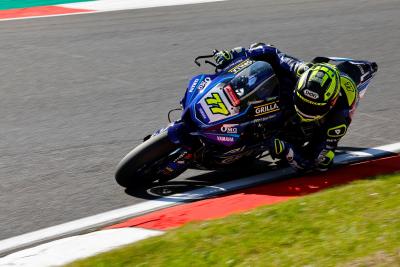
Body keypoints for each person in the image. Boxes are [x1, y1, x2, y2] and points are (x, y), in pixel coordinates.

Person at [214, 43, 378, 171]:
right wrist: (235, 54)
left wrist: (287, 150)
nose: (304, 110)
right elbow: (268, 50)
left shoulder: (337, 119)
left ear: (331, 103)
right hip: (317, 78)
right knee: (271, 68)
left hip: (344, 92)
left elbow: (312, 164)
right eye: (302, 101)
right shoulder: (300, 70)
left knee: (324, 161)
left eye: (312, 108)